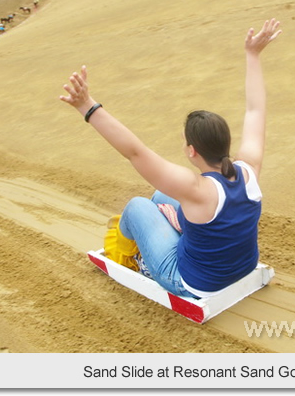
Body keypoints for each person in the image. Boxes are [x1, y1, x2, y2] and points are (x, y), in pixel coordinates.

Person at [59, 18, 282, 299]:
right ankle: (175, 231)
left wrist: (87, 107)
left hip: (195, 283)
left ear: (192, 151)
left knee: (137, 207)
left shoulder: (194, 188)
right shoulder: (249, 168)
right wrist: (253, 55)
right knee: (159, 196)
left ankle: (127, 260)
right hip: (242, 267)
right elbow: (255, 111)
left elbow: (134, 152)